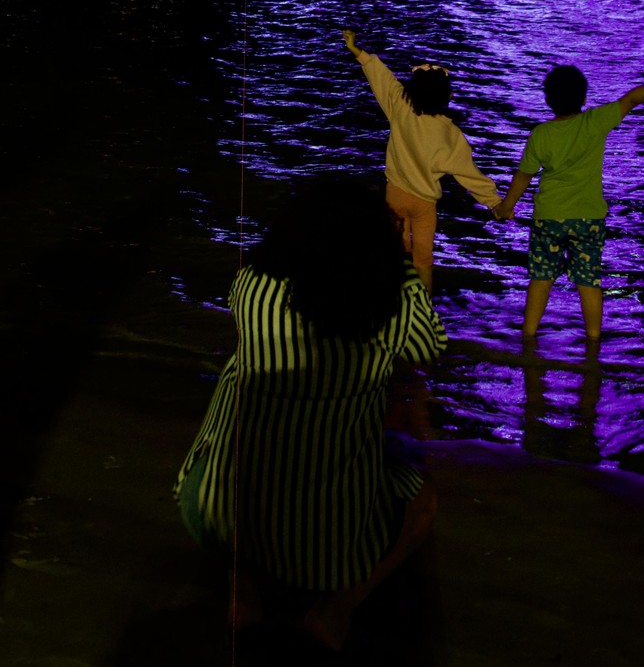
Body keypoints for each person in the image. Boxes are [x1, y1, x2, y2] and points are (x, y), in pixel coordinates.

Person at [174, 175, 447, 651]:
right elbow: (428, 346)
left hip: (213, 517)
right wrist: (403, 266)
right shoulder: (391, 303)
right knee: (423, 504)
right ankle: (334, 610)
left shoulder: (252, 286)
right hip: (332, 557)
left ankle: (245, 595)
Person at [498, 59, 644, 339]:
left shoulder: (540, 134)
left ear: (547, 99)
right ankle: (593, 342)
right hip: (588, 219)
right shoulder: (595, 121)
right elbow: (633, 99)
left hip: (549, 219)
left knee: (541, 280)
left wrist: (507, 206)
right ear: (583, 98)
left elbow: (523, 176)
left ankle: (528, 337)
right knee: (589, 283)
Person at [342, 28, 504, 291]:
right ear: (447, 98)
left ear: (412, 92)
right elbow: (468, 175)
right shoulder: (451, 134)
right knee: (423, 260)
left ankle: (397, 306)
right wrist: (494, 203)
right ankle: (426, 311)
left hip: (396, 194)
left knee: (397, 255)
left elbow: (382, 79)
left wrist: (358, 52)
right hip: (425, 203)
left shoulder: (401, 107)